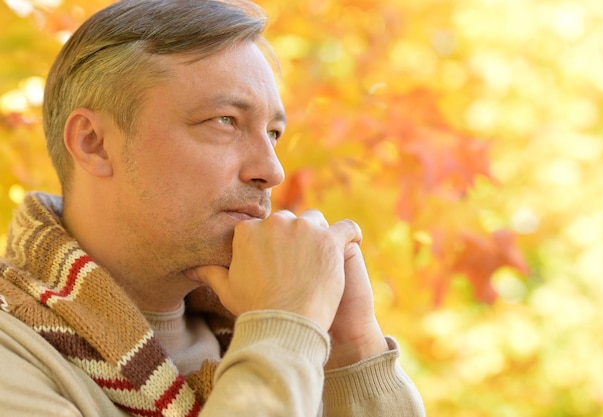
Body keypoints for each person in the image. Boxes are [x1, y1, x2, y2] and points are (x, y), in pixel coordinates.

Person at [0, 0, 426, 416]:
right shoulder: (12, 356)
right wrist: (281, 328)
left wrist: (352, 351)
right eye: (225, 121)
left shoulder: (296, 345)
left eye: (274, 133)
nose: (272, 170)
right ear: (94, 143)